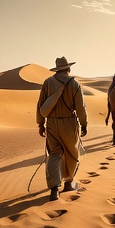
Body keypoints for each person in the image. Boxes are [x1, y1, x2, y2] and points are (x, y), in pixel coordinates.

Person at [37, 56, 88, 202]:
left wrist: (40, 124)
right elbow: (80, 107)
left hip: (52, 124)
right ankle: (68, 183)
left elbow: (40, 105)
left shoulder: (47, 83)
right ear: (68, 69)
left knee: (54, 154)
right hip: (69, 123)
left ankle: (54, 190)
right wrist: (84, 124)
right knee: (71, 154)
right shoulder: (74, 84)